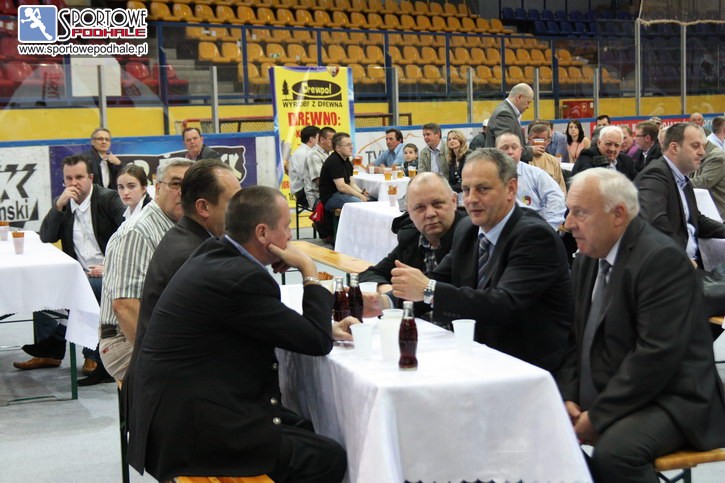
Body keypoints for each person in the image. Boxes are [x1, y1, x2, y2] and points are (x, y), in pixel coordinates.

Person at [128, 187, 349, 482]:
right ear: (262, 233)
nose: (290, 238)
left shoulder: (215, 252)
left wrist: (321, 326)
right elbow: (316, 342)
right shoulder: (242, 277)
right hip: (193, 429)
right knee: (327, 457)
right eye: (286, 228)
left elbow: (267, 322)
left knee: (304, 426)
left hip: (176, 410)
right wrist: (309, 270)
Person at [557, 168, 725, 482]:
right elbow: (573, 340)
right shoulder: (588, 257)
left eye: (580, 212)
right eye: (569, 211)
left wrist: (599, 415)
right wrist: (567, 397)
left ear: (618, 214)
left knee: (617, 454)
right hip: (618, 388)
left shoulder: (661, 260)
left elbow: (655, 356)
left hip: (671, 398)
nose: (568, 223)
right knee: (540, 428)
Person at [386, 148, 572, 372]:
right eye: (466, 189)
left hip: (528, 367)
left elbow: (504, 304)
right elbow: (437, 279)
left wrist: (428, 290)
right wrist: (385, 303)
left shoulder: (534, 236)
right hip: (479, 355)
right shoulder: (469, 228)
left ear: (511, 189)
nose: (471, 199)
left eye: (482, 189)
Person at [122, 160, 241, 418]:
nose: (240, 211)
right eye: (233, 203)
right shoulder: (145, 234)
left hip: (162, 377)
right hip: (164, 388)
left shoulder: (185, 235)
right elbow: (124, 306)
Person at [14, 155, 125, 372]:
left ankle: (87, 353)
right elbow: (46, 236)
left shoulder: (109, 199)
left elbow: (129, 233)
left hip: (109, 272)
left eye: (79, 177)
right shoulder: (64, 203)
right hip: (78, 273)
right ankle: (50, 353)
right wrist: (58, 206)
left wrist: (110, 266)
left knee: (82, 290)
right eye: (69, 178)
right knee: (41, 289)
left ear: (91, 178)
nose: (74, 183)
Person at [93, 159, 194, 385]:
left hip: (165, 331)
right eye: (176, 184)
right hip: (123, 340)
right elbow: (125, 307)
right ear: (157, 188)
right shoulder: (138, 232)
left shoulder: (180, 226)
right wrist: (160, 357)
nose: (183, 192)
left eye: (190, 186)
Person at [359, 172, 465, 298]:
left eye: (437, 204)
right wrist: (387, 289)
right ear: (409, 212)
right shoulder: (411, 237)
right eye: (420, 207)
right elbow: (370, 274)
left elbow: (439, 289)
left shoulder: (469, 236)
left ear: (454, 201)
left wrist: (394, 296)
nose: (430, 214)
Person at [635, 122, 725, 265]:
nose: (702, 152)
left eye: (703, 146)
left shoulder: (682, 178)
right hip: (668, 266)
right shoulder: (655, 175)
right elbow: (655, 223)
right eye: (695, 146)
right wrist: (681, 259)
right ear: (674, 148)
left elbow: (696, 220)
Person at [497, 132, 566, 231]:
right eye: (505, 148)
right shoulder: (488, 176)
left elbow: (556, 197)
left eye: (514, 147)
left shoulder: (536, 174)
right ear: (496, 151)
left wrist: (549, 227)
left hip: (532, 230)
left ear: (521, 151)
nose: (510, 152)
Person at [319, 132, 369, 211]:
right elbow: (341, 187)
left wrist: (361, 192)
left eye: (351, 144)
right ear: (338, 148)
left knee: (371, 200)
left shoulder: (347, 160)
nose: (351, 147)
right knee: (361, 204)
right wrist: (360, 196)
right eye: (348, 145)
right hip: (331, 197)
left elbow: (351, 184)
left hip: (342, 194)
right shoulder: (334, 161)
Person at [572, 126, 637, 180]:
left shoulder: (626, 161)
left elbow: (637, 183)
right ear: (599, 143)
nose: (612, 149)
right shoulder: (587, 155)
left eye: (617, 145)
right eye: (608, 144)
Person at [484, 83, 533, 149]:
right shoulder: (504, 114)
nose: (528, 106)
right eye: (528, 102)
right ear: (519, 97)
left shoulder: (508, 112)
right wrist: (531, 150)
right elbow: (507, 147)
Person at [692, 122, 725, 219]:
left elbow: (702, 183)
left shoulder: (717, 157)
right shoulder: (698, 155)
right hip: (707, 212)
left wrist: (675, 181)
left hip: (718, 214)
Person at [528, 122, 568, 193]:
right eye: (536, 138)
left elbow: (562, 189)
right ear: (529, 139)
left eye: (543, 139)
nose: (539, 142)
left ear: (548, 141)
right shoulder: (522, 160)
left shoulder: (553, 161)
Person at [303, 126, 335, 209]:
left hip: (330, 194)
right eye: (331, 140)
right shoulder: (314, 154)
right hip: (318, 197)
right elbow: (319, 181)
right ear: (322, 139)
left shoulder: (329, 153)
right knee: (351, 202)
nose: (334, 143)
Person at [288, 125, 320, 208]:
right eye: (318, 138)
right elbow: (305, 176)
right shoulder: (301, 153)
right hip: (303, 192)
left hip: (310, 188)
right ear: (311, 139)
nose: (320, 141)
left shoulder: (312, 152)